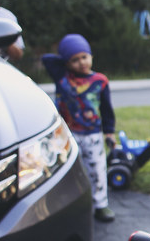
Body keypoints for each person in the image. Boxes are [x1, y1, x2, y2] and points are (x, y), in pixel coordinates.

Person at [42, 34, 116, 223]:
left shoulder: (100, 81)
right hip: (67, 133)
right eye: (74, 60)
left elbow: (107, 109)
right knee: (68, 169)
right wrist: (65, 59)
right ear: (66, 62)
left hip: (92, 134)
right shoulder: (62, 77)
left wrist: (109, 131)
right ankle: (69, 204)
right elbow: (47, 60)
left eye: (84, 57)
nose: (81, 62)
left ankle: (100, 205)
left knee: (97, 169)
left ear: (91, 56)